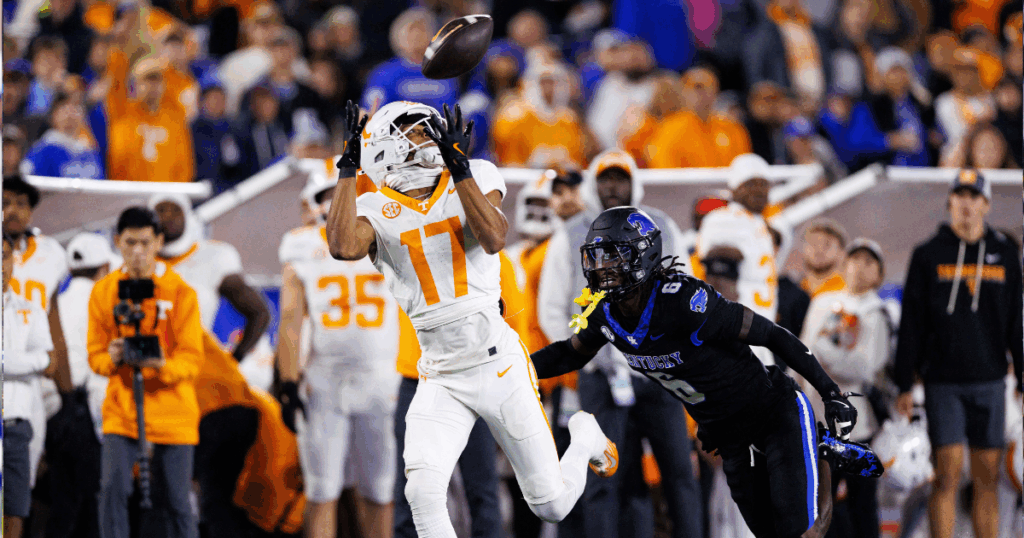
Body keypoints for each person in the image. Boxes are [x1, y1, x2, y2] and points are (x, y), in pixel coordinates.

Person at [325, 100, 616, 537]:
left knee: (550, 505)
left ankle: (585, 437)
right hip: (439, 372)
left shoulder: (474, 175)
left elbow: (495, 237)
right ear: (382, 146)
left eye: (427, 130)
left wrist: (459, 168)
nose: (424, 139)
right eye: (412, 132)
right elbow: (343, 247)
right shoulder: (372, 208)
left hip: (497, 362)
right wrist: (348, 169)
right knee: (422, 493)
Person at [530, 206, 885, 538]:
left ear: (644, 254)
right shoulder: (605, 314)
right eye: (597, 256)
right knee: (769, 532)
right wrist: (518, 367)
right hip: (726, 434)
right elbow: (568, 355)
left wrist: (829, 392)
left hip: (772, 412)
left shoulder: (683, 300)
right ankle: (816, 450)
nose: (602, 266)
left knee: (800, 531)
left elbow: (772, 334)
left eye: (614, 254)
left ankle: (819, 450)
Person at [537, 149, 701, 538]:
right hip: (602, 376)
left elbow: (686, 291)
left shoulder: (660, 226)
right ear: (594, 183)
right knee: (604, 480)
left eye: (620, 178)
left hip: (659, 372)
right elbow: (551, 307)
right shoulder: (573, 231)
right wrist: (587, 355)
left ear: (634, 182)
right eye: (606, 178)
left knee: (679, 473)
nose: (613, 187)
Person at [894, 169, 1022, 538]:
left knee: (988, 476)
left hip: (991, 380)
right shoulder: (927, 254)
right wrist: (905, 381)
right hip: (942, 381)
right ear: (950, 202)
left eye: (974, 197)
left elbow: (1017, 322)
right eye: (959, 196)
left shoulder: (1005, 255)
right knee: (946, 474)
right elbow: (912, 323)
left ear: (986, 205)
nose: (966, 204)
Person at [275, 173, 401, 538]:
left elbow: (290, 321)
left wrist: (287, 380)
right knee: (332, 490)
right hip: (344, 377)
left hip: (363, 376)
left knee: (361, 490)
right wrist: (288, 379)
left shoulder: (303, 244)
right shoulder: (388, 236)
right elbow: (290, 322)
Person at [88, 207, 204, 538]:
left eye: (144, 242)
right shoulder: (104, 292)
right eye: (129, 243)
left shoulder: (181, 292)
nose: (137, 251)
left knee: (178, 501)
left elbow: (192, 359)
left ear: (159, 242)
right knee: (112, 493)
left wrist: (160, 365)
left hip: (174, 411)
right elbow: (94, 356)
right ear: (117, 243)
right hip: (122, 409)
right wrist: (112, 359)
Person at [800, 238, 890, 538]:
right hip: (816, 421)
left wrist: (824, 354)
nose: (859, 268)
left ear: (879, 274)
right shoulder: (822, 302)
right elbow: (799, 351)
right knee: (814, 506)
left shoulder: (877, 313)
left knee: (861, 505)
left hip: (858, 428)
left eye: (868, 262)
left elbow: (864, 367)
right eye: (854, 259)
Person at [149, 193, 273, 390]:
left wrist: (233, 360)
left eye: (175, 210)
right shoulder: (138, 263)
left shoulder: (213, 257)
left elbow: (259, 313)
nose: (168, 216)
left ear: (188, 215)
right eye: (161, 210)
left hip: (195, 370)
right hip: (149, 370)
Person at [2, 174, 73, 501]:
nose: (12, 211)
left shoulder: (50, 254)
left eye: (21, 204)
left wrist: (67, 390)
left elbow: (53, 321)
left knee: (22, 485)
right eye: (5, 203)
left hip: (31, 385)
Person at [47, 232, 119, 538]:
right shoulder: (104, 307)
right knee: (92, 509)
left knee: (61, 507)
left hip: (53, 413)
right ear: (104, 268)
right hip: (86, 417)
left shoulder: (56, 303)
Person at [693, 154, 779, 366]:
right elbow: (716, 274)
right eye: (751, 184)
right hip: (736, 333)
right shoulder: (724, 219)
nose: (759, 190)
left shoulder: (758, 223)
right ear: (735, 189)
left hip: (758, 331)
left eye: (764, 184)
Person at [97, 5, 195, 183]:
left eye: (157, 80)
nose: (153, 86)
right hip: (127, 195)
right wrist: (121, 43)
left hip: (164, 198)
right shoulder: (122, 111)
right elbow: (116, 80)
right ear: (136, 84)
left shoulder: (174, 117)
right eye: (147, 80)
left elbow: (185, 166)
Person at [3, 233, 54, 538]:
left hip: (17, 426)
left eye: (5, 256)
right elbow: (38, 360)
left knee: (16, 509)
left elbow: (49, 362)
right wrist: (29, 361)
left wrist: (9, 362)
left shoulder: (31, 310)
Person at [647, 67, 752, 168]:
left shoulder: (732, 128)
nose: (702, 94)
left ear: (716, 92)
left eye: (708, 88)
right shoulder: (669, 129)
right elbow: (664, 171)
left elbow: (743, 166)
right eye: (696, 88)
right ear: (683, 92)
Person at [491, 61, 590, 168]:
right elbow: (506, 161)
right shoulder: (513, 117)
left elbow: (578, 160)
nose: (548, 88)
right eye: (543, 82)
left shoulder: (569, 120)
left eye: (552, 82)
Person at [360, 8, 458, 115]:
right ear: (398, 37)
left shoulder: (446, 72)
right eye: (411, 30)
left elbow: (455, 111)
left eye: (422, 30)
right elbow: (370, 114)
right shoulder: (383, 73)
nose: (417, 35)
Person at [799, 218, 848, 298]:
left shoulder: (846, 293)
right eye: (813, 243)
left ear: (842, 253)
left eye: (827, 244)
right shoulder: (794, 290)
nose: (819, 250)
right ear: (804, 248)